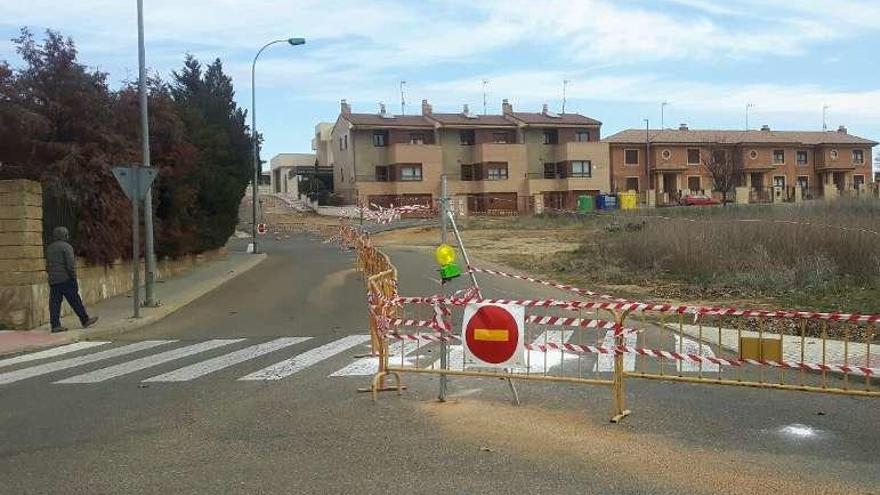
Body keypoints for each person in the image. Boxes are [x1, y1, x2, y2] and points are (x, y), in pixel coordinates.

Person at [45, 226, 98, 333]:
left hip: (53, 279)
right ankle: (85, 319)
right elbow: (70, 265)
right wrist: (73, 277)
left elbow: (48, 265)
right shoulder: (67, 247)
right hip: (66, 279)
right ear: (65, 235)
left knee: (54, 303)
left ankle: (55, 325)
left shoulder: (50, 248)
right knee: (75, 300)